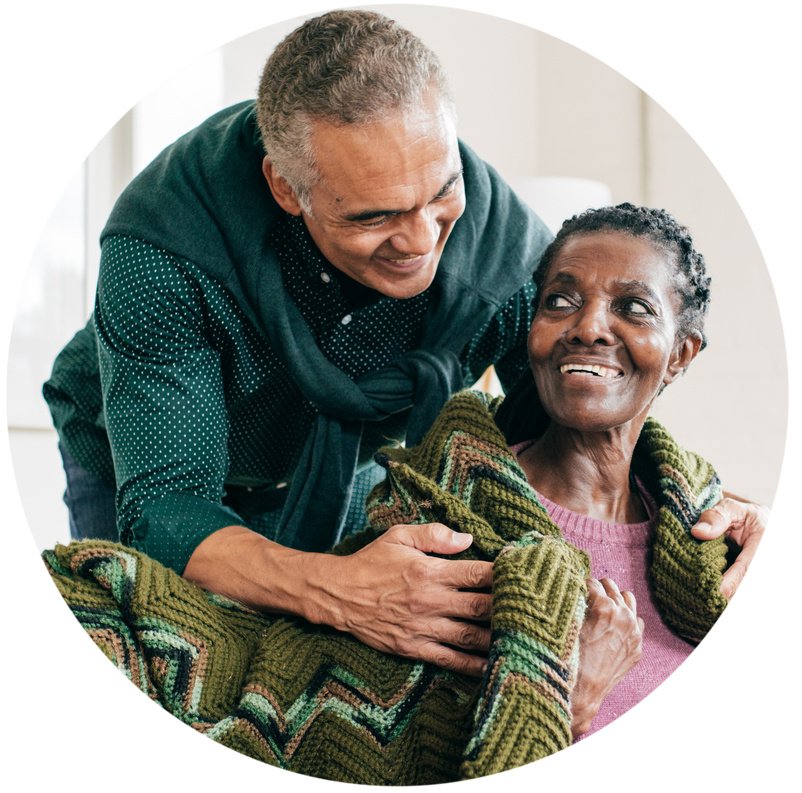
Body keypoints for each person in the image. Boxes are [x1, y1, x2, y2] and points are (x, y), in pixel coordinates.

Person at [42, 10, 765, 679]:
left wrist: (706, 509)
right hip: (148, 465)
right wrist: (338, 588)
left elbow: (579, 428)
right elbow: (167, 507)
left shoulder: (508, 257)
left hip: (341, 461)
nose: (422, 243)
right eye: (376, 215)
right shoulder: (163, 245)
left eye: (440, 192)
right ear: (287, 188)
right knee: (161, 668)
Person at [365, 203, 760, 739]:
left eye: (634, 307)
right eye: (561, 301)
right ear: (533, 335)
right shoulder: (432, 523)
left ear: (680, 356)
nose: (588, 327)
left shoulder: (718, 541)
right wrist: (570, 697)